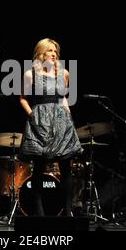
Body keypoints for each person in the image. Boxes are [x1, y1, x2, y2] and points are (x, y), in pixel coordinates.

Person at [19, 38, 83, 217]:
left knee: (66, 166)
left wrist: (68, 118)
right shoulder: (31, 74)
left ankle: (68, 211)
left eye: (55, 51)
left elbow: (63, 98)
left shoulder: (64, 73)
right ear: (41, 53)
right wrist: (32, 115)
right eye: (50, 51)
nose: (54, 54)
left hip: (61, 120)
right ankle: (39, 212)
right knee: (39, 166)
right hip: (40, 121)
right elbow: (22, 98)